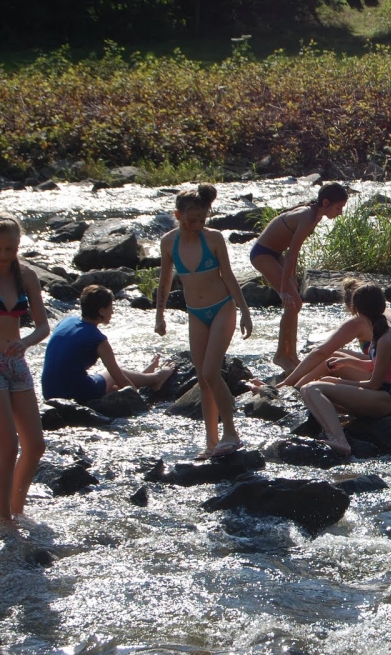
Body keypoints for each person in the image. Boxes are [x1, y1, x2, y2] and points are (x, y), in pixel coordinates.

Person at [156, 185, 253, 460]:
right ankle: (211, 443)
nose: (197, 225)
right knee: (202, 378)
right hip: (195, 313)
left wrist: (244, 310)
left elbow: (229, 276)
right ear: (177, 215)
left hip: (222, 308)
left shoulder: (214, 239)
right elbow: (164, 281)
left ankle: (231, 434)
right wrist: (159, 314)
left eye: (202, 219)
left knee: (211, 371)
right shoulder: (168, 243)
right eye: (191, 220)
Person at [279, 278, 391, 408]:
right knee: (337, 355)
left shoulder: (360, 321)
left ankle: (293, 393)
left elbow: (320, 352)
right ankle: (297, 390)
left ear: (353, 307)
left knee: (329, 363)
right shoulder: (388, 318)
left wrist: (286, 382)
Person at [299, 284, 391, 455]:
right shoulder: (380, 331)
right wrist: (347, 362)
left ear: (357, 310)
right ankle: (331, 433)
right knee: (309, 390)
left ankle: (340, 441)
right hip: (377, 397)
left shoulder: (386, 338)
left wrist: (338, 381)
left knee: (312, 389)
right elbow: (378, 366)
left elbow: (374, 384)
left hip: (384, 400)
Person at [250, 183, 348, 373]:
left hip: (276, 253)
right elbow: (292, 253)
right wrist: (284, 289)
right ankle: (281, 355)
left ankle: (291, 355)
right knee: (293, 302)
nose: (340, 212)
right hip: (263, 254)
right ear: (325, 203)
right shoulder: (307, 216)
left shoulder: (316, 215)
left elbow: (292, 251)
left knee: (295, 303)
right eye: (338, 208)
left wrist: (292, 277)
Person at [41, 285, 175, 402]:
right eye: (111, 307)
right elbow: (119, 377)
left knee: (112, 389)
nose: (112, 312)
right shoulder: (97, 339)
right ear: (101, 311)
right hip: (72, 393)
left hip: (48, 392)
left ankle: (143, 376)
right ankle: (155, 378)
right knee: (113, 375)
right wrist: (139, 401)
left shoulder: (66, 321)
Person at [0, 213, 48, 527]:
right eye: (1, 249)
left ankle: (16, 510)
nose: (6, 255)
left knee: (35, 445)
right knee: (8, 446)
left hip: (16, 361)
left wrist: (26, 342)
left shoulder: (26, 275)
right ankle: (4, 520)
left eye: (12, 248)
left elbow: (43, 326)